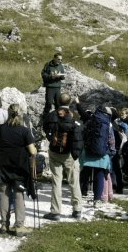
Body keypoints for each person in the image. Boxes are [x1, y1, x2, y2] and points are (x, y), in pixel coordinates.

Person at [0, 104, 37, 237]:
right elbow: (32, 151)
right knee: (19, 193)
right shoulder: (24, 131)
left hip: (2, 164)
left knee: (4, 193)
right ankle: (19, 225)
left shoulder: (0, 129)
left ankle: (4, 224)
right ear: (21, 113)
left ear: (8, 113)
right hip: (19, 165)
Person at [42, 93, 83, 221]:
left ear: (57, 102)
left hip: (54, 152)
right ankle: (77, 210)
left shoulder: (52, 115)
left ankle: (55, 211)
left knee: (56, 182)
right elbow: (79, 134)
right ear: (69, 102)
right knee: (74, 182)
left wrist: (51, 139)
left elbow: (46, 128)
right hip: (70, 154)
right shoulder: (73, 116)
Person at [80, 106, 116, 207]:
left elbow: (83, 135)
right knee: (99, 176)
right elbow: (111, 140)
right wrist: (111, 153)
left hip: (88, 152)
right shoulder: (107, 124)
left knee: (84, 174)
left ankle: (80, 193)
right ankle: (97, 200)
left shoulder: (90, 121)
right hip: (102, 154)